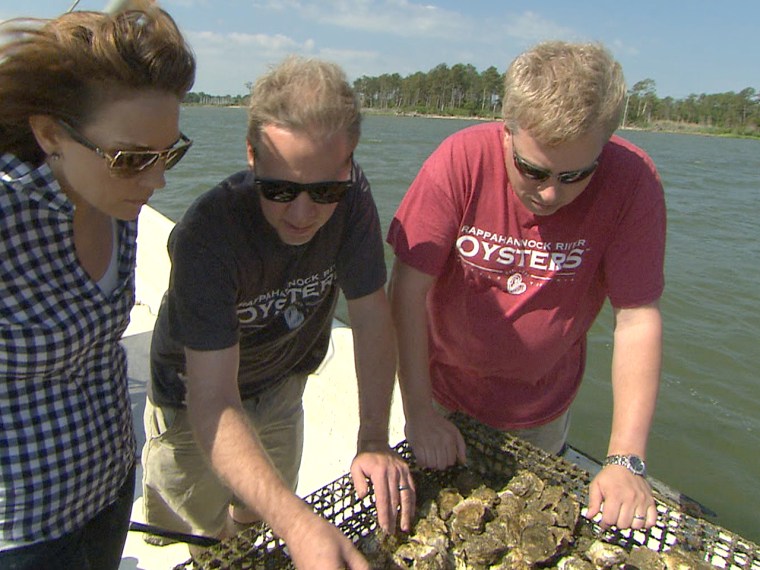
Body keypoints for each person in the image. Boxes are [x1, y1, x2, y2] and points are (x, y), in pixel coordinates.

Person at [142, 55, 414, 568]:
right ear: (251, 156)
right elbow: (214, 398)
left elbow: (372, 317)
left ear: (349, 163)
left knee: (258, 509)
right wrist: (296, 523)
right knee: (192, 529)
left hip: (283, 384)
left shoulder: (355, 200)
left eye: (325, 190)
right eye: (280, 189)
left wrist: (374, 439)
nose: (302, 214)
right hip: (191, 397)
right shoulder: (209, 235)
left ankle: (242, 533)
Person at [387, 41, 666, 532]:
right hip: (441, 391)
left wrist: (626, 459)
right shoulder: (461, 159)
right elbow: (408, 288)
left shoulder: (633, 181)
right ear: (506, 131)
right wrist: (418, 413)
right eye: (532, 170)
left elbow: (637, 318)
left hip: (542, 406)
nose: (552, 193)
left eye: (576, 174)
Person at [0, 3, 195, 569]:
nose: (155, 182)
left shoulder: (119, 200)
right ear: (48, 132)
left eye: (168, 155)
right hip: (23, 530)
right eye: (131, 158)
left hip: (111, 488)